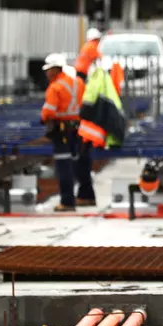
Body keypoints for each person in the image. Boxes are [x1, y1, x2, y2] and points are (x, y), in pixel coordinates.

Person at [41, 53, 95, 211]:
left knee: (63, 166)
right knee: (80, 163)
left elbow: (48, 112)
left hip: (62, 131)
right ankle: (86, 196)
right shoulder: (78, 83)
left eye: (48, 70)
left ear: (55, 69)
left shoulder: (55, 87)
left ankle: (67, 201)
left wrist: (44, 120)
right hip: (79, 129)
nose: (46, 73)